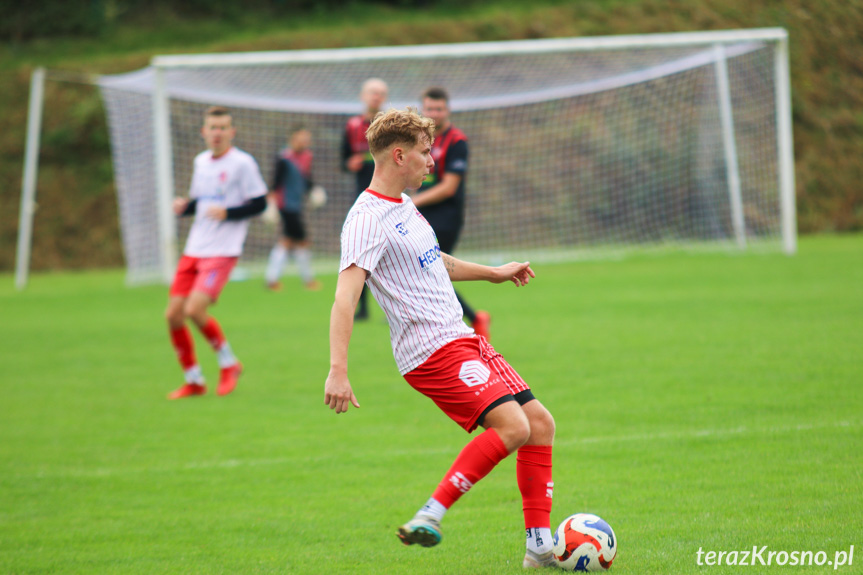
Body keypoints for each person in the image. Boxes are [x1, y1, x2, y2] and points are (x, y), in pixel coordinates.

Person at [325, 108, 557, 569]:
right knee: (513, 427)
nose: (432, 161)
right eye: (425, 152)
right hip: (430, 352)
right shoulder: (365, 220)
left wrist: (493, 273)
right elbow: (345, 298)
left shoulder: (405, 205)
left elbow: (435, 260)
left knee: (541, 425)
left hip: (461, 338)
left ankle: (540, 546)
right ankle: (429, 515)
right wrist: (338, 370)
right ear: (398, 155)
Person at [165, 106, 268, 399]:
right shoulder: (201, 162)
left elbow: (259, 203)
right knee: (173, 315)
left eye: (223, 127)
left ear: (232, 132)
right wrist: (185, 207)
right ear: (204, 132)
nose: (218, 132)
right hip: (194, 248)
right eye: (213, 127)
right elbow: (201, 202)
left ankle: (228, 362)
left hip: (223, 250)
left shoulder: (243, 163)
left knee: (194, 309)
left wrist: (229, 212)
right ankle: (194, 379)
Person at [411, 87, 490, 339]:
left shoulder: (457, 141)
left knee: (429, 269)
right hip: (420, 214)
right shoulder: (417, 138)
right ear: (422, 110)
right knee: (426, 271)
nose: (434, 114)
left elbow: (449, 187)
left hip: (445, 217)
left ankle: (467, 321)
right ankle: (470, 320)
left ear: (448, 110)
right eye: (429, 109)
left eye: (439, 109)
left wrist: (412, 202)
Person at [341, 77, 388, 320]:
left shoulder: (392, 125)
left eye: (380, 93)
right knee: (361, 254)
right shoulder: (351, 126)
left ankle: (392, 306)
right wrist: (350, 163)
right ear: (363, 96)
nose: (376, 97)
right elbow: (343, 161)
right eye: (372, 92)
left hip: (390, 198)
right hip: (362, 198)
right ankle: (362, 308)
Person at [265, 127, 322, 292]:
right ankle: (308, 280)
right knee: (300, 241)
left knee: (288, 241)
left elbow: (306, 179)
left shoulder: (306, 157)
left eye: (307, 138)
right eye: (301, 138)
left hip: (296, 205)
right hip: (285, 205)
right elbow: (275, 183)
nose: (304, 141)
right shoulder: (284, 158)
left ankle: (273, 280)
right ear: (292, 139)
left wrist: (314, 190)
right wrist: (271, 204)